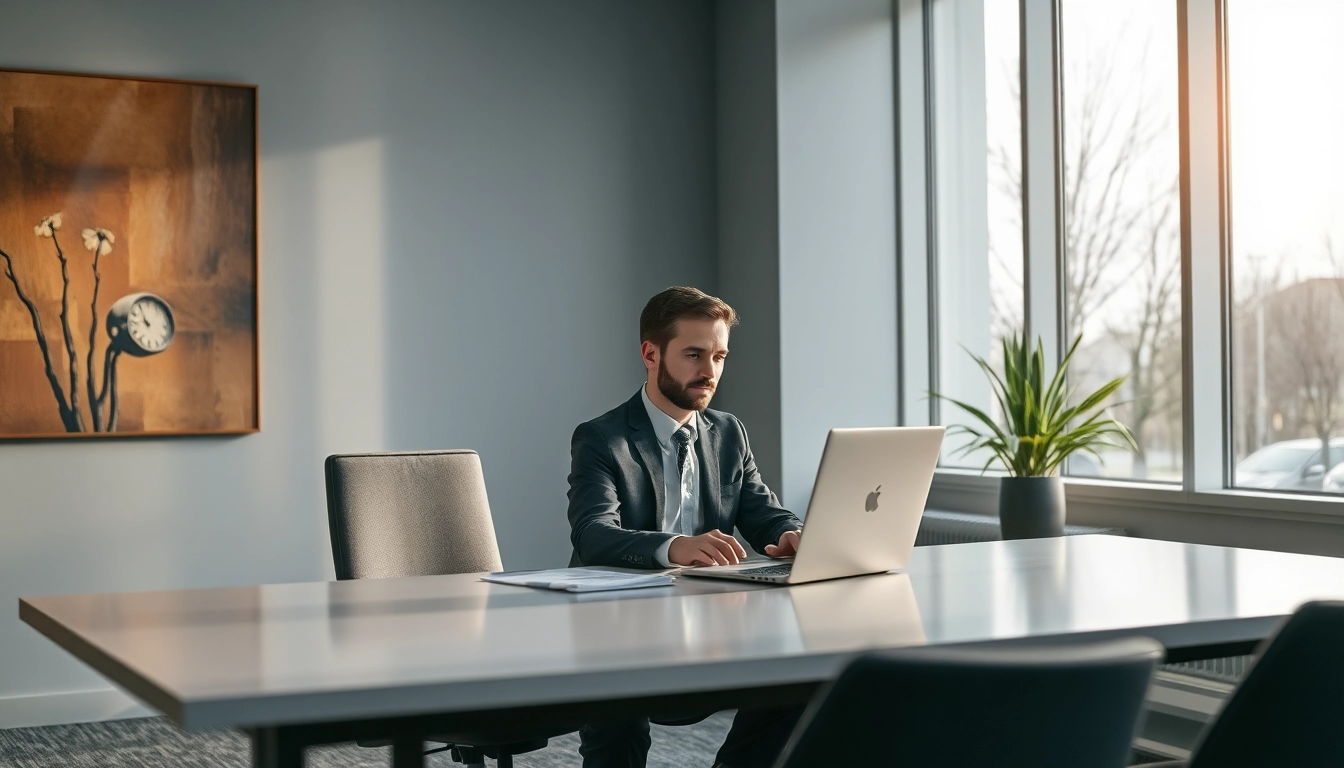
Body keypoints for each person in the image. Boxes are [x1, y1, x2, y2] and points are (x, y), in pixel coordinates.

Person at [566, 286, 804, 768]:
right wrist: (675, 548)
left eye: (719, 356)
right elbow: (592, 533)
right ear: (650, 354)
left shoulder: (728, 432)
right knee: (619, 733)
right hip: (619, 628)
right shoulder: (602, 438)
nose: (709, 371)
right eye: (694, 354)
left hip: (712, 620)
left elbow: (763, 512)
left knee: (798, 683)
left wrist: (794, 535)